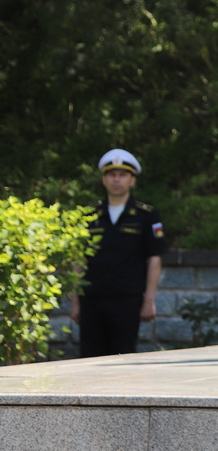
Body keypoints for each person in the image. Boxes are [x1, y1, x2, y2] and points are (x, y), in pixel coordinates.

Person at [70, 149, 166, 357]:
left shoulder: (146, 215)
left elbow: (154, 259)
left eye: (122, 175)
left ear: (132, 180)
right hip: (92, 299)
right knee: (89, 360)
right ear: (104, 180)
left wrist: (149, 300)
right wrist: (75, 302)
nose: (116, 180)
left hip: (127, 300)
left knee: (123, 358)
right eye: (112, 175)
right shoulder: (89, 214)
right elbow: (79, 259)